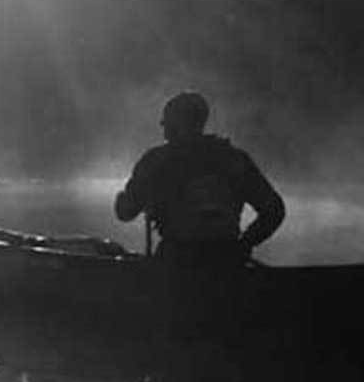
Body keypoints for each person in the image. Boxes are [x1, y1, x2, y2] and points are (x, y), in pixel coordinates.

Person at [114, 92, 284, 267]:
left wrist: (122, 198)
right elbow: (274, 211)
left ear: (175, 126)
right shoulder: (234, 160)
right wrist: (244, 245)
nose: (163, 130)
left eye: (166, 124)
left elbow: (125, 212)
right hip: (227, 263)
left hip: (174, 264)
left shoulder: (156, 162)